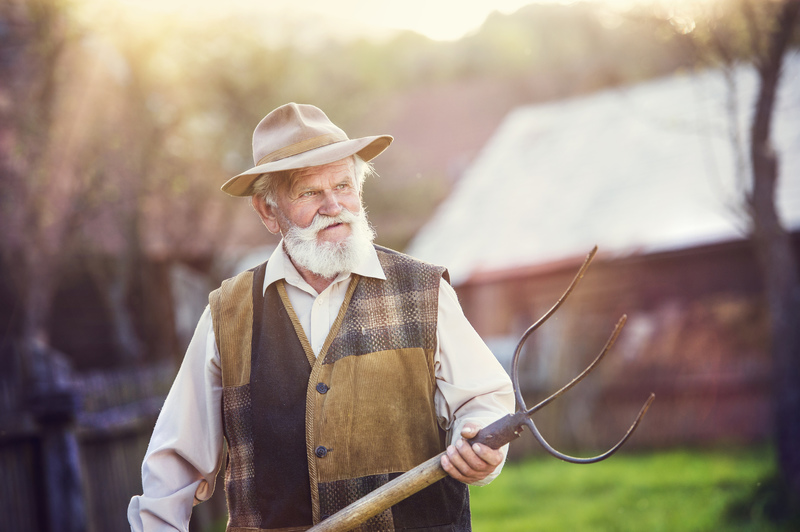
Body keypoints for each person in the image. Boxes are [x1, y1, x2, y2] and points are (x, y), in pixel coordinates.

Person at [128, 103, 514, 531]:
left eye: (344, 185)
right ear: (267, 211)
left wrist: (478, 443)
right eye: (310, 192)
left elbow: (484, 402)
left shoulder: (422, 290)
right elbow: (174, 463)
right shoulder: (229, 313)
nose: (334, 206)